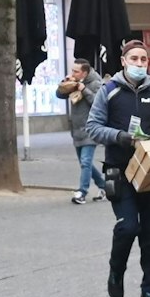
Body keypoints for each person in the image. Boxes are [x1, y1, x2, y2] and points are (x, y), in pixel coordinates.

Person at [86, 37, 150, 297]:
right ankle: (116, 272)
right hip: (120, 172)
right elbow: (93, 126)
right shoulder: (109, 91)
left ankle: (149, 292)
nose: (139, 64)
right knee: (128, 227)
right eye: (134, 59)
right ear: (124, 61)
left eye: (144, 60)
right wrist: (121, 137)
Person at [56, 58, 107, 204]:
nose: (73, 73)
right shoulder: (74, 82)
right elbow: (59, 95)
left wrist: (83, 89)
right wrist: (64, 83)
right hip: (76, 129)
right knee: (86, 163)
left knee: (85, 161)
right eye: (72, 70)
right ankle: (104, 187)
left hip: (90, 128)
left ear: (84, 73)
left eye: (76, 71)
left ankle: (82, 192)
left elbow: (99, 103)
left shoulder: (96, 83)